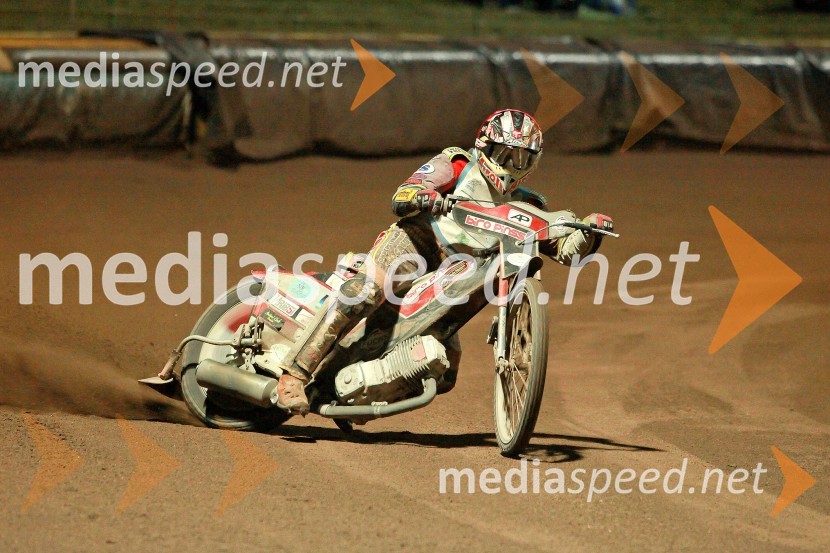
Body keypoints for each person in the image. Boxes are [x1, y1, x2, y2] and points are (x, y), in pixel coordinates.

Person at [276, 109, 614, 414]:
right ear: (485, 147)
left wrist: (589, 232)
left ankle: (344, 392)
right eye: (505, 154)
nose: (512, 165)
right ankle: (294, 374)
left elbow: (566, 252)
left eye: (522, 159)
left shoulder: (528, 204)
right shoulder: (457, 164)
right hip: (417, 241)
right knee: (363, 292)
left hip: (456, 272)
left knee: (446, 369)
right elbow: (403, 194)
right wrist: (425, 196)